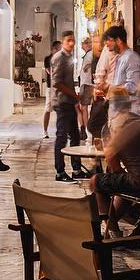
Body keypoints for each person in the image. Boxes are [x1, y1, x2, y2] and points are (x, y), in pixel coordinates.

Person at [88, 107, 140, 236]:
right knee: (126, 181)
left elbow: (112, 160)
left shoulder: (120, 129)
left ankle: (113, 233)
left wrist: (119, 170)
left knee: (96, 181)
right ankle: (117, 227)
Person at [51, 31, 85, 182]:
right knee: (61, 137)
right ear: (63, 41)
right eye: (68, 40)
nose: (71, 43)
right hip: (62, 103)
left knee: (75, 137)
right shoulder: (60, 58)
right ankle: (60, 172)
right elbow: (57, 83)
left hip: (69, 102)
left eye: (73, 41)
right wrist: (74, 95)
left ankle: (77, 170)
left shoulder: (69, 57)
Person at [102, 26, 140, 117]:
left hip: (129, 115)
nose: (106, 44)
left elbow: (133, 86)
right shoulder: (120, 57)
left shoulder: (131, 58)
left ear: (119, 40)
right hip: (119, 113)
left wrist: (111, 88)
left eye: (109, 40)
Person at [41, 39, 61, 137]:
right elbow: (50, 72)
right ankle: (45, 131)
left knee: (60, 110)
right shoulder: (48, 59)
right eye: (59, 49)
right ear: (54, 49)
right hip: (51, 87)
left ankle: (60, 130)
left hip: (60, 87)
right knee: (48, 109)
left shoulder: (61, 58)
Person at [76, 36, 94, 141]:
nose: (82, 45)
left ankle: (86, 130)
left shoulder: (90, 54)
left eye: (83, 43)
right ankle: (84, 128)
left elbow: (93, 63)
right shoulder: (88, 55)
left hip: (87, 84)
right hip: (84, 83)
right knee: (83, 107)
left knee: (84, 107)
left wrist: (88, 66)